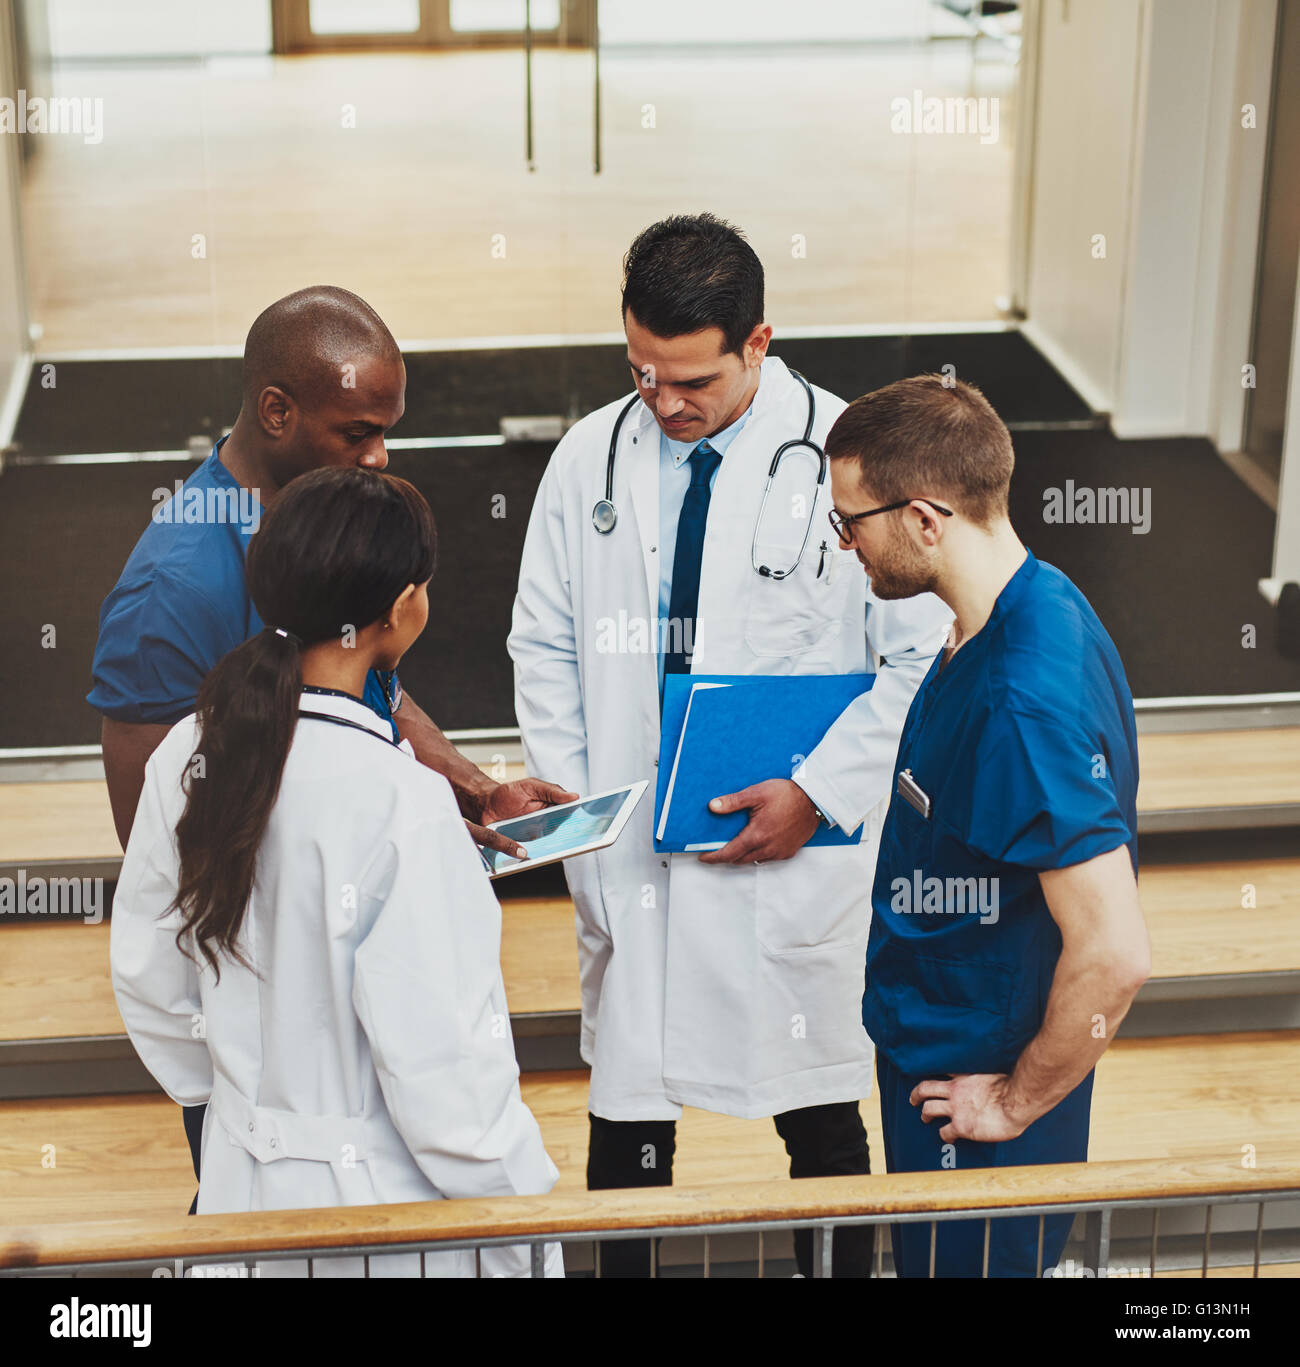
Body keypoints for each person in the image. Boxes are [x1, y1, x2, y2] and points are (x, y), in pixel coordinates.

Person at [508, 214, 952, 1277]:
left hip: (789, 863)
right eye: (641, 371)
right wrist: (582, 818)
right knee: (626, 1130)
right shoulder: (590, 459)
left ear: (758, 342)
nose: (659, 402)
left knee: (821, 1122)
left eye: (689, 380)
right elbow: (543, 642)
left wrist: (818, 789)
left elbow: (921, 657)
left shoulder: (853, 459)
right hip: (632, 857)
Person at [89, 286, 574, 1201]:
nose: (380, 455)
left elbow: (361, 674)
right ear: (278, 410)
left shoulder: (313, 526)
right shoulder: (174, 588)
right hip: (257, 1059)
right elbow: (163, 858)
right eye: (359, 432)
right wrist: (241, 1069)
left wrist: (471, 786)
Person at [110, 466, 562, 1278]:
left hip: (239, 1192)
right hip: (383, 1217)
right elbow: (446, 1076)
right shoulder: (405, 803)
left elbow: (150, 973)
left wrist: (241, 1107)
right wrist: (528, 1221)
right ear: (400, 611)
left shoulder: (191, 750)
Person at [824, 374, 1150, 1278]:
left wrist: (1011, 1101)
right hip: (943, 1047)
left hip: (971, 1099)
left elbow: (1116, 952)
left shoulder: (1021, 698)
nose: (842, 542)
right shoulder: (1019, 607)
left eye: (852, 522)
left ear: (926, 520)